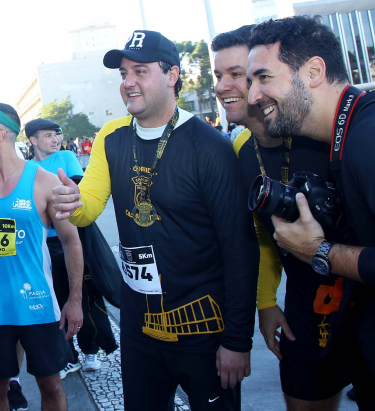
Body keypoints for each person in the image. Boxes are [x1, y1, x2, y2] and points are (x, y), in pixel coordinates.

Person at [52, 30, 258, 411]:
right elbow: (90, 206)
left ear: (172, 75)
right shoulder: (111, 137)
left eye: (140, 71)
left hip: (202, 329)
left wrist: (237, 341)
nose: (128, 82)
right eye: (124, 73)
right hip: (140, 327)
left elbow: (240, 251)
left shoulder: (211, 147)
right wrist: (69, 201)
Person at [247, 15, 375, 409]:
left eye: (263, 78)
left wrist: (320, 252)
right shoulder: (358, 132)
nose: (252, 96)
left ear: (314, 71)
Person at [213, 24, 348, 410]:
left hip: (370, 298)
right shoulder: (239, 150)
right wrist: (267, 302)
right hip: (306, 307)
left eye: (239, 74)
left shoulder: (324, 131)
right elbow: (261, 234)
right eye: (219, 76)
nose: (224, 86)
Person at [0, 103, 85, 411]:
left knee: (50, 385)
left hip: (38, 307)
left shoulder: (44, 181)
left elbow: (71, 242)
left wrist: (74, 300)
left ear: (1, 133)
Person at [26, 117, 118, 375]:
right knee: (56, 300)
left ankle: (90, 350)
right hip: (47, 245)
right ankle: (69, 356)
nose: (55, 139)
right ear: (32, 140)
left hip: (76, 239)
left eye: (56, 134)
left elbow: (80, 188)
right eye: (47, 135)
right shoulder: (28, 169)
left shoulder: (66, 157)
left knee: (85, 298)